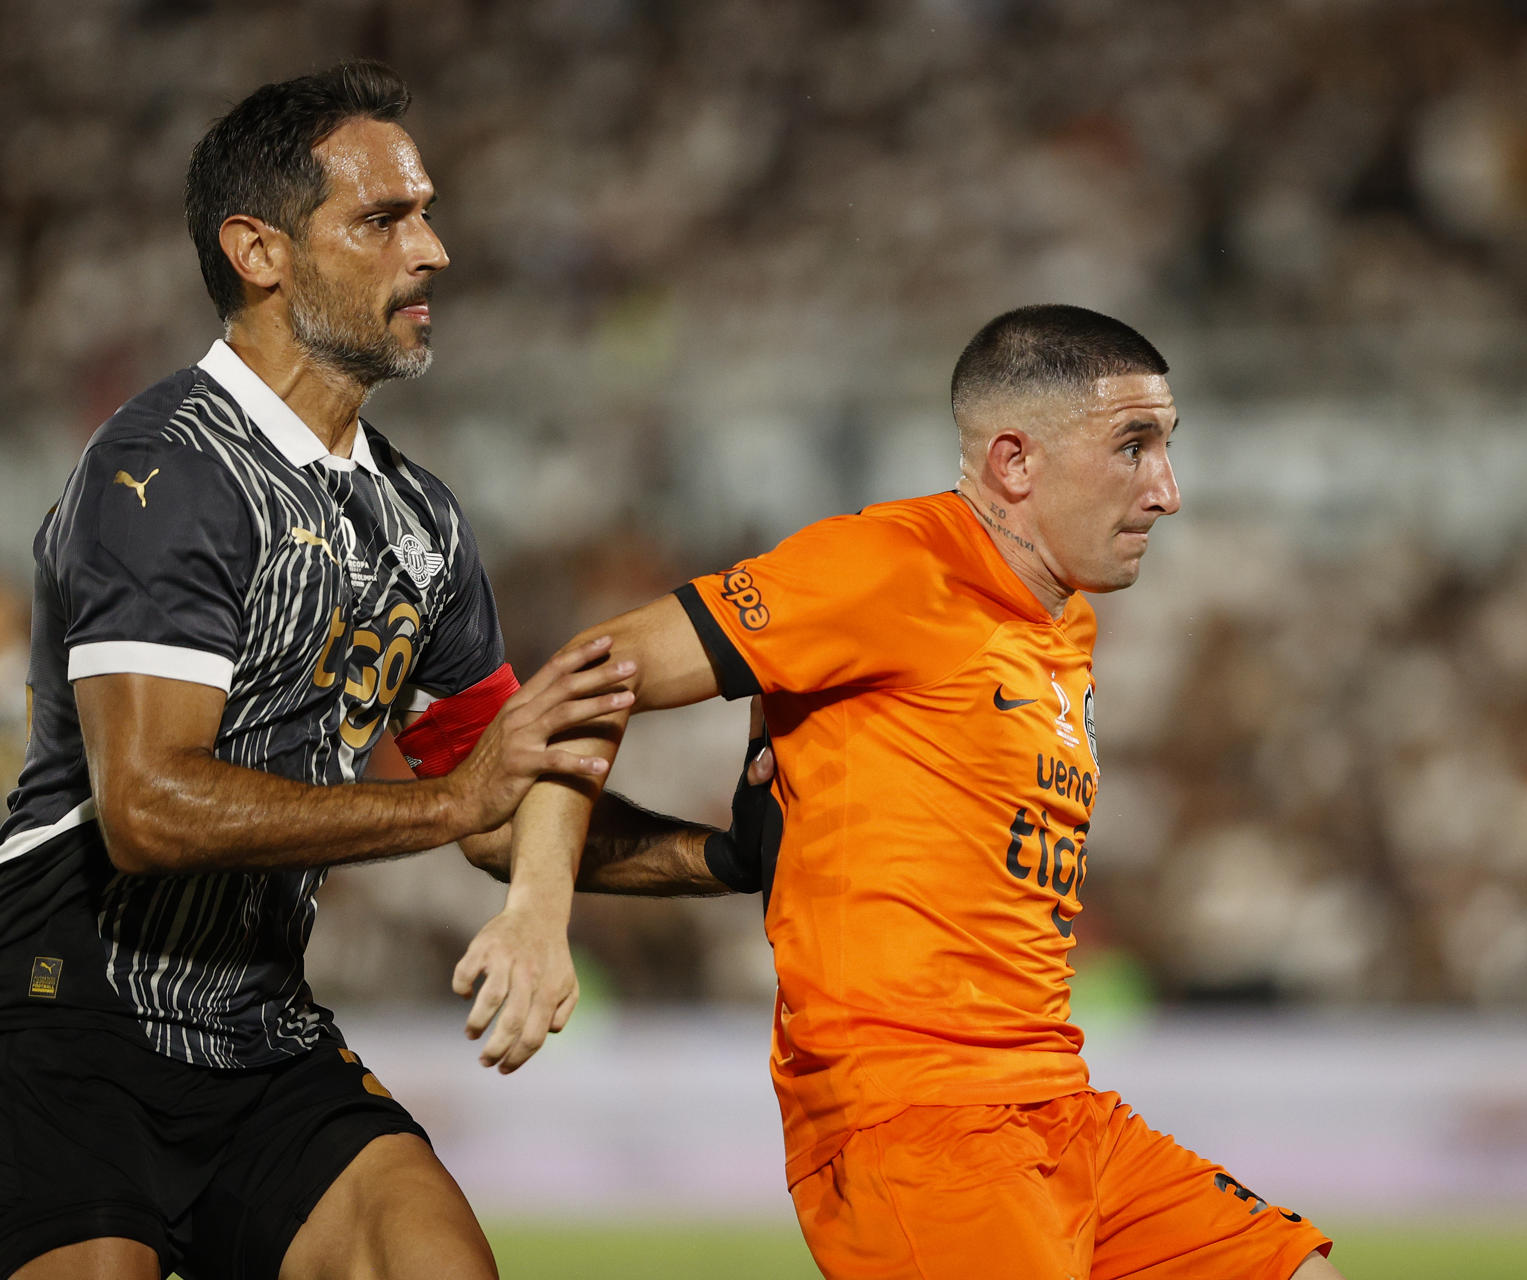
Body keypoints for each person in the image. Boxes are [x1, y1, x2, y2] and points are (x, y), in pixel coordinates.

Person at [0, 61, 764, 1280]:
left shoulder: (423, 523)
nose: (436, 250)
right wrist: (453, 800)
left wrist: (728, 857)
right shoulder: (161, 471)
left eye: (427, 211)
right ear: (260, 250)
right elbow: (145, 807)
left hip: (256, 1023)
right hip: (60, 1011)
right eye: (385, 217)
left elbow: (510, 804)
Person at [458, 305, 1343, 1279]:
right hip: (919, 1126)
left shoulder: (1067, 625)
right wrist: (539, 913)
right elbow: (599, 667)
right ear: (1014, 462)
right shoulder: (886, 566)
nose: (1167, 490)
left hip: (1063, 1107)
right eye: (1133, 446)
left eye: (1168, 446)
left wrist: (729, 856)